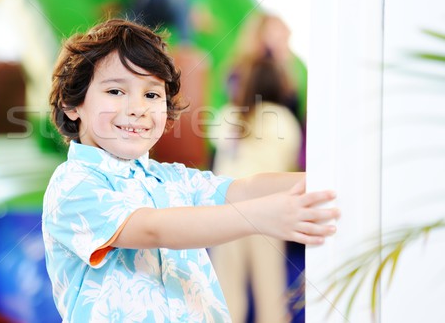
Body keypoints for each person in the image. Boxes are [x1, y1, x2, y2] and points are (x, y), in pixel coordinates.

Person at [42, 18, 338, 321]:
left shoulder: (171, 178)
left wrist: (330, 181)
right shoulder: (74, 183)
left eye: (151, 94)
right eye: (116, 91)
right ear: (71, 103)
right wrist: (260, 216)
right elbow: (153, 228)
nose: (137, 108)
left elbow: (244, 188)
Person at [210, 57, 303, 323]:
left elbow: (216, 145)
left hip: (226, 210)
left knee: (226, 293)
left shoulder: (228, 115)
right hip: (269, 211)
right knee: (270, 292)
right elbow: (288, 164)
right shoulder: (284, 121)